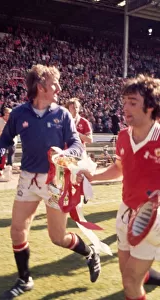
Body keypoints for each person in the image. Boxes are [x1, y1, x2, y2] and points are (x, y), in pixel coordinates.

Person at [0, 65, 101, 299]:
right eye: (54, 84)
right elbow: (5, 139)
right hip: (28, 179)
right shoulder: (19, 113)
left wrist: (66, 155)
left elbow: (77, 144)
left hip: (55, 180)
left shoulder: (62, 114)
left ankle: (90, 252)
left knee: (57, 237)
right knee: (17, 230)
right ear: (40, 87)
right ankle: (24, 279)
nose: (59, 88)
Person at [78, 75, 160, 300]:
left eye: (132, 103)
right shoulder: (123, 136)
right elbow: (119, 169)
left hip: (151, 218)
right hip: (125, 213)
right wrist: (92, 177)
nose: (125, 108)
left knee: (131, 282)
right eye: (124, 102)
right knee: (127, 278)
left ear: (151, 106)